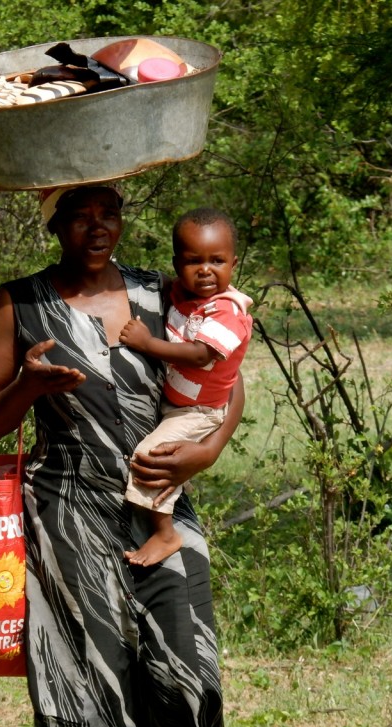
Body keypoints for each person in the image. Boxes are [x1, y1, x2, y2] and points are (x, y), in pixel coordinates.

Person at [0, 184, 243, 727]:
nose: (96, 229)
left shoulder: (158, 291)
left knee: (184, 668)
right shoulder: (21, 303)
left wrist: (209, 448)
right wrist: (28, 387)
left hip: (160, 499)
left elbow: (226, 375)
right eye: (79, 217)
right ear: (53, 225)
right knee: (94, 675)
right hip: (67, 507)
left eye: (108, 215)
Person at [118, 208, 253, 567]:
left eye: (217, 261)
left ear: (233, 263)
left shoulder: (227, 312)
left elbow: (199, 354)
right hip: (177, 402)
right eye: (194, 261)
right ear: (178, 265)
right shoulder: (184, 292)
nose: (206, 270)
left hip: (199, 410)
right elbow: (164, 284)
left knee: (152, 458)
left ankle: (165, 534)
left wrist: (146, 344)